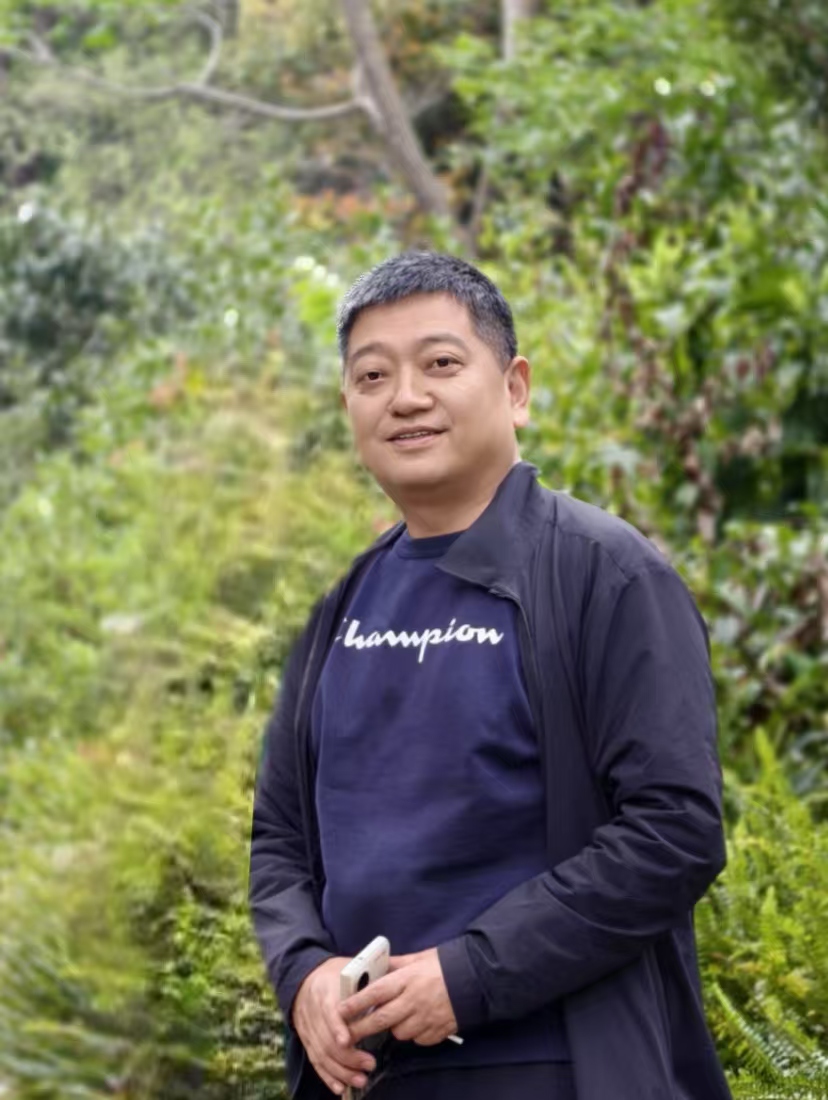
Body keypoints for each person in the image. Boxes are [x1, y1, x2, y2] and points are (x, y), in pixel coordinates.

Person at [248, 251, 732, 1100]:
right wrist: (304, 974)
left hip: (558, 1067)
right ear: (349, 405)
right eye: (372, 376)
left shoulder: (605, 575)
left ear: (515, 389)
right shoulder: (340, 607)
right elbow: (280, 838)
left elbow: (674, 831)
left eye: (440, 363)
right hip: (367, 1078)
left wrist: (469, 974)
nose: (405, 397)